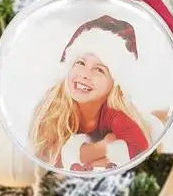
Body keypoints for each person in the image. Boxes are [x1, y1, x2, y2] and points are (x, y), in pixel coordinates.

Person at [30, 15, 153, 172]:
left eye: (99, 69)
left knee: (154, 121)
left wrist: (92, 162)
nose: (85, 74)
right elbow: (46, 154)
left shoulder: (114, 114)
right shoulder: (54, 103)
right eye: (80, 62)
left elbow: (139, 149)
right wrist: (101, 147)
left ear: (115, 84)